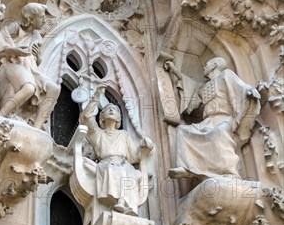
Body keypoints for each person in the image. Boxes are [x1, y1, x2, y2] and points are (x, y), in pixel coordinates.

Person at [165, 56, 261, 179]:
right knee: (183, 131)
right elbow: (190, 85)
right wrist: (174, 71)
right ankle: (189, 168)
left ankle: (230, 172)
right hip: (207, 121)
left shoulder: (226, 75)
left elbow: (240, 86)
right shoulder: (204, 86)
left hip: (224, 118)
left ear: (214, 65)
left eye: (207, 64)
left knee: (219, 132)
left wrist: (250, 92)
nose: (204, 67)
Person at [80, 84, 154, 215]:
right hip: (105, 165)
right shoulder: (98, 134)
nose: (111, 110)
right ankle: (122, 203)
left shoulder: (123, 135)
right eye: (108, 109)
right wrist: (96, 96)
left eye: (114, 109)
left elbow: (134, 156)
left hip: (123, 164)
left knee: (129, 171)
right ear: (101, 117)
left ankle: (124, 204)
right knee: (116, 169)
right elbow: (85, 118)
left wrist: (144, 147)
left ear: (119, 118)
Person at [0, 3, 60, 129]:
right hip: (12, 63)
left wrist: (39, 57)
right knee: (29, 88)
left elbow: (36, 60)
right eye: (41, 17)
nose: (44, 20)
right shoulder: (15, 27)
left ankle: (37, 128)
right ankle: (0, 116)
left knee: (54, 89)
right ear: (30, 19)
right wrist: (14, 50)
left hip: (30, 68)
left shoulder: (37, 36)